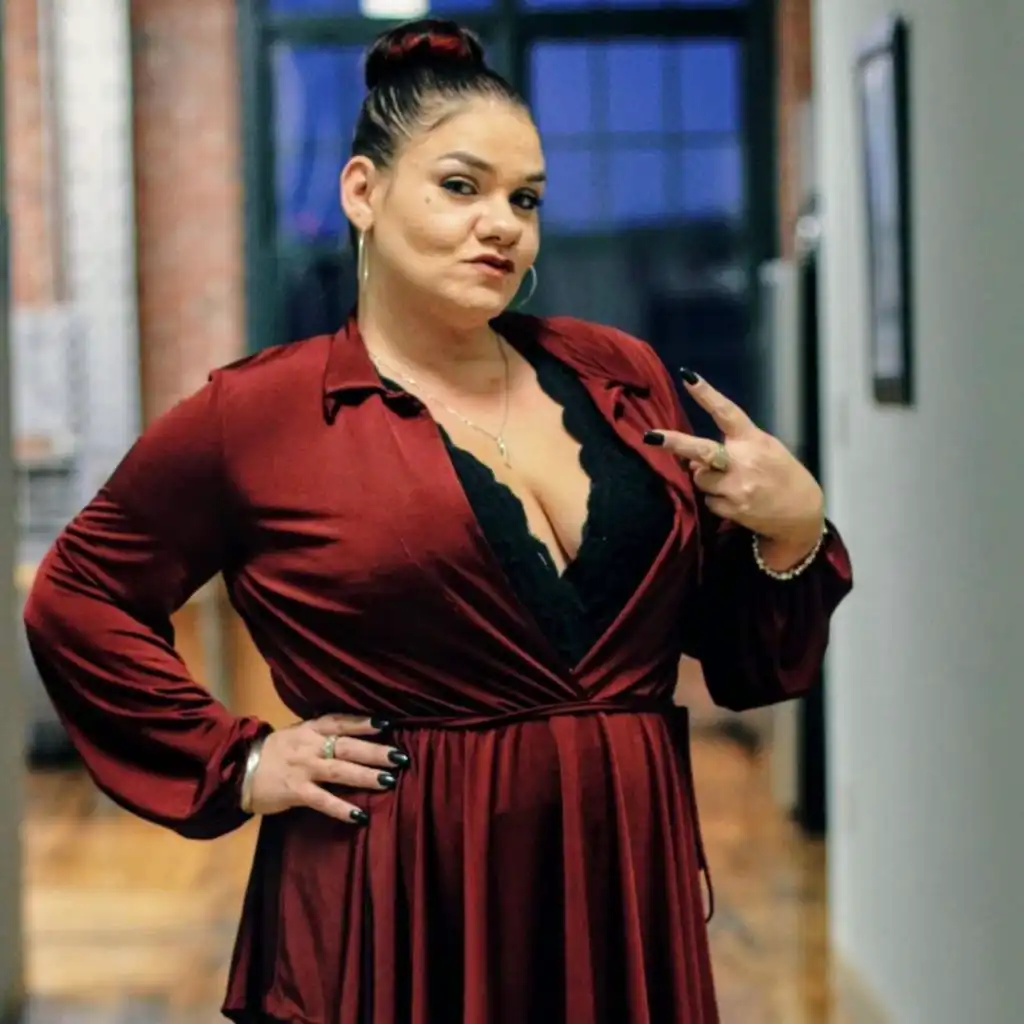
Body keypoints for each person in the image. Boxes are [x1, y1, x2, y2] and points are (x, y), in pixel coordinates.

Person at [23, 19, 853, 1024]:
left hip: (619, 884)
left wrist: (792, 531)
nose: (502, 225)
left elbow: (742, 656)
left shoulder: (619, 378)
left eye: (525, 199)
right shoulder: (262, 414)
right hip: (397, 894)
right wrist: (239, 761)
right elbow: (79, 595)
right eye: (462, 187)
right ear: (361, 193)